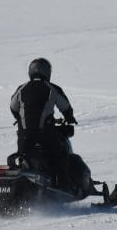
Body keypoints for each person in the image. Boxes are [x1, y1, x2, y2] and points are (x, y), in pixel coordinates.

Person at [9, 58, 77, 188]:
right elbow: (66, 107)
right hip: (45, 133)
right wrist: (69, 118)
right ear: (47, 72)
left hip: (24, 135)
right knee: (59, 156)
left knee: (21, 156)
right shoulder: (52, 88)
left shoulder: (21, 88)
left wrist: (21, 118)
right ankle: (64, 186)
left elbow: (13, 107)